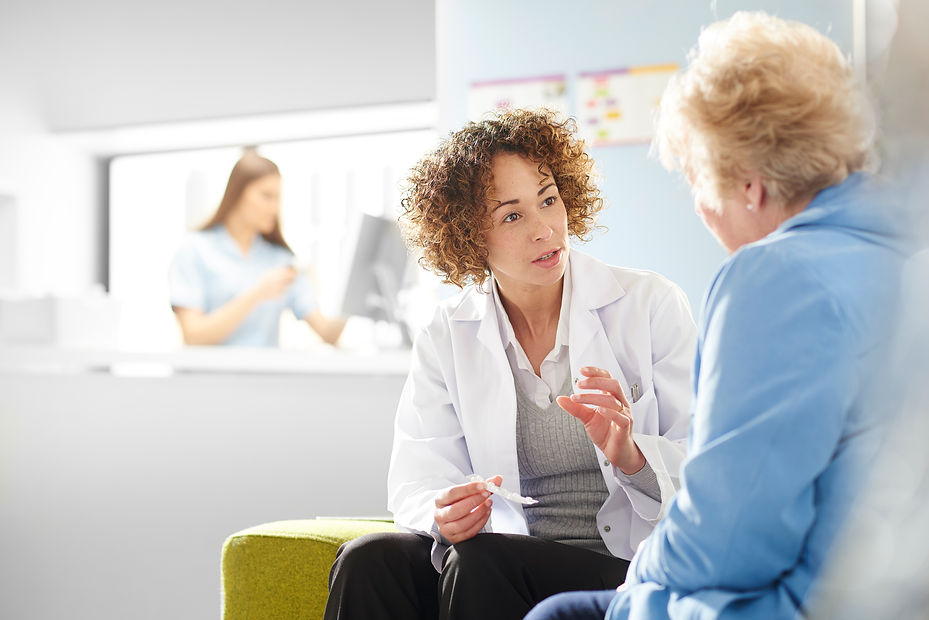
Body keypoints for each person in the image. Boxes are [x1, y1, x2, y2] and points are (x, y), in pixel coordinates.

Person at [525, 11, 909, 620]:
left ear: (750, 186)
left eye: (698, 182)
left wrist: (639, 580)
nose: (702, 208)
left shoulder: (776, 277)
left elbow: (729, 537)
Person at [323, 108, 696, 620]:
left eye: (549, 200)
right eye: (513, 216)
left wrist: (631, 454)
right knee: (370, 560)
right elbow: (418, 473)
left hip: (623, 566)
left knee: (483, 560)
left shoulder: (649, 304)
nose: (545, 229)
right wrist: (444, 512)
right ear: (468, 236)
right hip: (493, 560)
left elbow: (704, 467)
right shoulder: (447, 333)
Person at [168, 149, 345, 347]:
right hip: (210, 377)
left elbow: (328, 333)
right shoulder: (196, 250)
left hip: (263, 376)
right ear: (237, 195)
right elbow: (193, 336)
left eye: (277, 198)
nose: (274, 208)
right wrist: (258, 293)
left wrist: (354, 293)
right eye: (266, 196)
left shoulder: (280, 260)